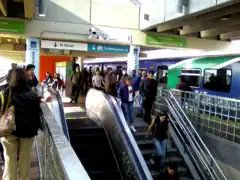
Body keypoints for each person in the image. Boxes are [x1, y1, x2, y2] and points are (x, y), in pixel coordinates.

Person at [0, 68, 43, 180]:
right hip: (28, 131)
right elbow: (36, 113)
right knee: (25, 158)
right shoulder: (32, 94)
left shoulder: (4, 92)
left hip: (8, 130)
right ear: (25, 79)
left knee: (9, 158)